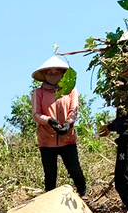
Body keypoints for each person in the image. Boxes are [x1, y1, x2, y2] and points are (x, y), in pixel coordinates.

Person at [31, 56, 87, 196]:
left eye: (57, 73)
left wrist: (68, 124)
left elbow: (74, 110)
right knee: (50, 173)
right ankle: (49, 203)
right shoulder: (38, 93)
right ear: (44, 75)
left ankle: (83, 195)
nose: (54, 76)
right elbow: (36, 114)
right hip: (46, 140)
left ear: (63, 74)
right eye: (50, 73)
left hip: (67, 139)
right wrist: (49, 121)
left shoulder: (71, 91)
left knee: (74, 169)